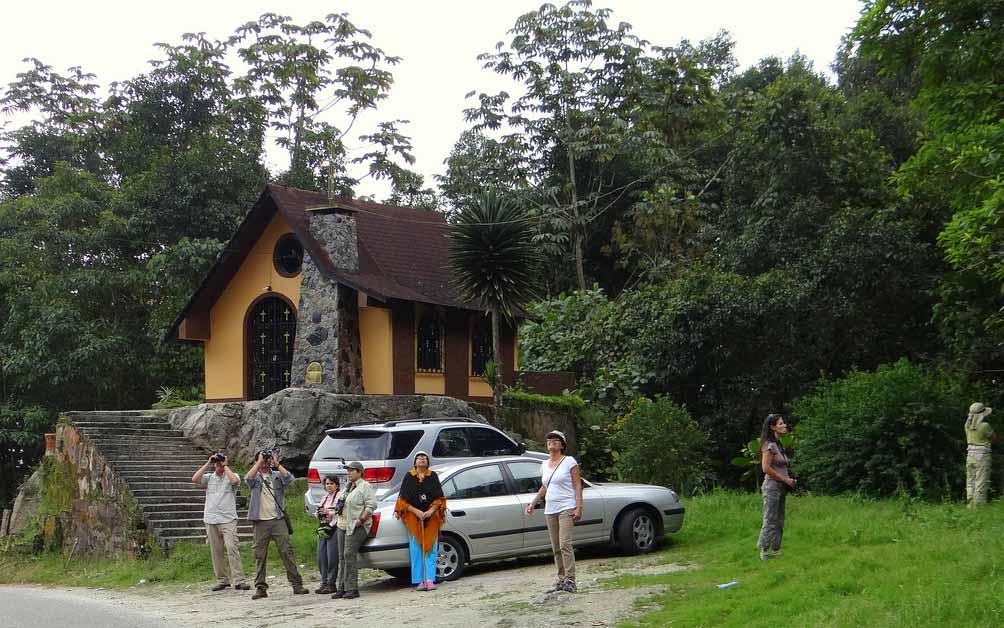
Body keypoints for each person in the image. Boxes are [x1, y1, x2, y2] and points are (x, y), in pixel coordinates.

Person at [245, 449, 308, 600]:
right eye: (264, 459)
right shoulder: (256, 476)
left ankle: (297, 585)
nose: (266, 461)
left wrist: (277, 463)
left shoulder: (277, 476)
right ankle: (260, 587)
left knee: (287, 551)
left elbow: (290, 478)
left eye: (267, 459)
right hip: (260, 521)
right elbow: (248, 478)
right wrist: (259, 462)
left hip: (278, 519)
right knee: (260, 555)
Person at [526, 430, 583, 593]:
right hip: (550, 509)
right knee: (556, 546)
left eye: (556, 440)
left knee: (565, 543)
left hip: (566, 507)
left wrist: (579, 507)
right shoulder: (544, 464)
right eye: (549, 439)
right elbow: (545, 486)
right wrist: (533, 502)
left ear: (562, 444)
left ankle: (571, 580)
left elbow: (577, 485)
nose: (552, 441)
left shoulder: (569, 461)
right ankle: (561, 578)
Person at [191, 452, 248, 591]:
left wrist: (225, 465)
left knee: (231, 548)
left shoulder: (231, 476)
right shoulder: (209, 477)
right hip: (211, 518)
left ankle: (239, 580)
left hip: (228, 518)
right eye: (217, 463)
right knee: (216, 551)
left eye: (219, 462)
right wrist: (208, 463)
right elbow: (194, 479)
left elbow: (235, 481)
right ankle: (222, 580)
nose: (218, 465)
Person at [394, 451, 447, 591]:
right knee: (416, 548)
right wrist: (416, 511)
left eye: (424, 458)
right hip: (413, 516)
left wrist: (430, 511)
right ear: (415, 462)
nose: (422, 460)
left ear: (428, 462)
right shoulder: (409, 476)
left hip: (431, 515)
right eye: (419, 458)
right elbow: (402, 500)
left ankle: (430, 579)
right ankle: (419, 581)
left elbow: (439, 498)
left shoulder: (432, 476)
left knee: (431, 547)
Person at [331, 460, 377, 600]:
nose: (348, 473)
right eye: (348, 470)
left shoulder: (365, 486)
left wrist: (361, 520)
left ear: (359, 472)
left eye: (351, 470)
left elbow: (371, 505)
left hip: (357, 525)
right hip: (342, 524)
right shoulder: (347, 487)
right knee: (341, 556)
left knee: (349, 554)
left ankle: (352, 588)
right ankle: (342, 588)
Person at [757, 414, 796, 561]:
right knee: (770, 518)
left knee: (780, 519)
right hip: (771, 487)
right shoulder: (768, 445)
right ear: (772, 427)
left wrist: (789, 480)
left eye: (783, 423)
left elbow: (781, 466)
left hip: (782, 487)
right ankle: (764, 550)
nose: (784, 425)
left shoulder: (778, 445)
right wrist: (785, 479)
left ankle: (776, 548)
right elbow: (766, 468)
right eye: (781, 423)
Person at [965, 402, 997, 507]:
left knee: (970, 480)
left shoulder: (967, 425)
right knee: (981, 481)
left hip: (970, 455)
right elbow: (994, 439)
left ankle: (970, 505)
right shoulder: (985, 426)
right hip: (982, 455)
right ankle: (979, 506)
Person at [314, 475, 341, 593]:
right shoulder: (324, 498)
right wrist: (320, 513)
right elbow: (317, 512)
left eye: (331, 483)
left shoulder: (339, 497)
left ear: (336, 485)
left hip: (334, 527)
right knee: (321, 556)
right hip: (323, 528)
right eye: (327, 484)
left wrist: (329, 512)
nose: (329, 486)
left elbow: (340, 511)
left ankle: (331, 582)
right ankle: (324, 581)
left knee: (332, 556)